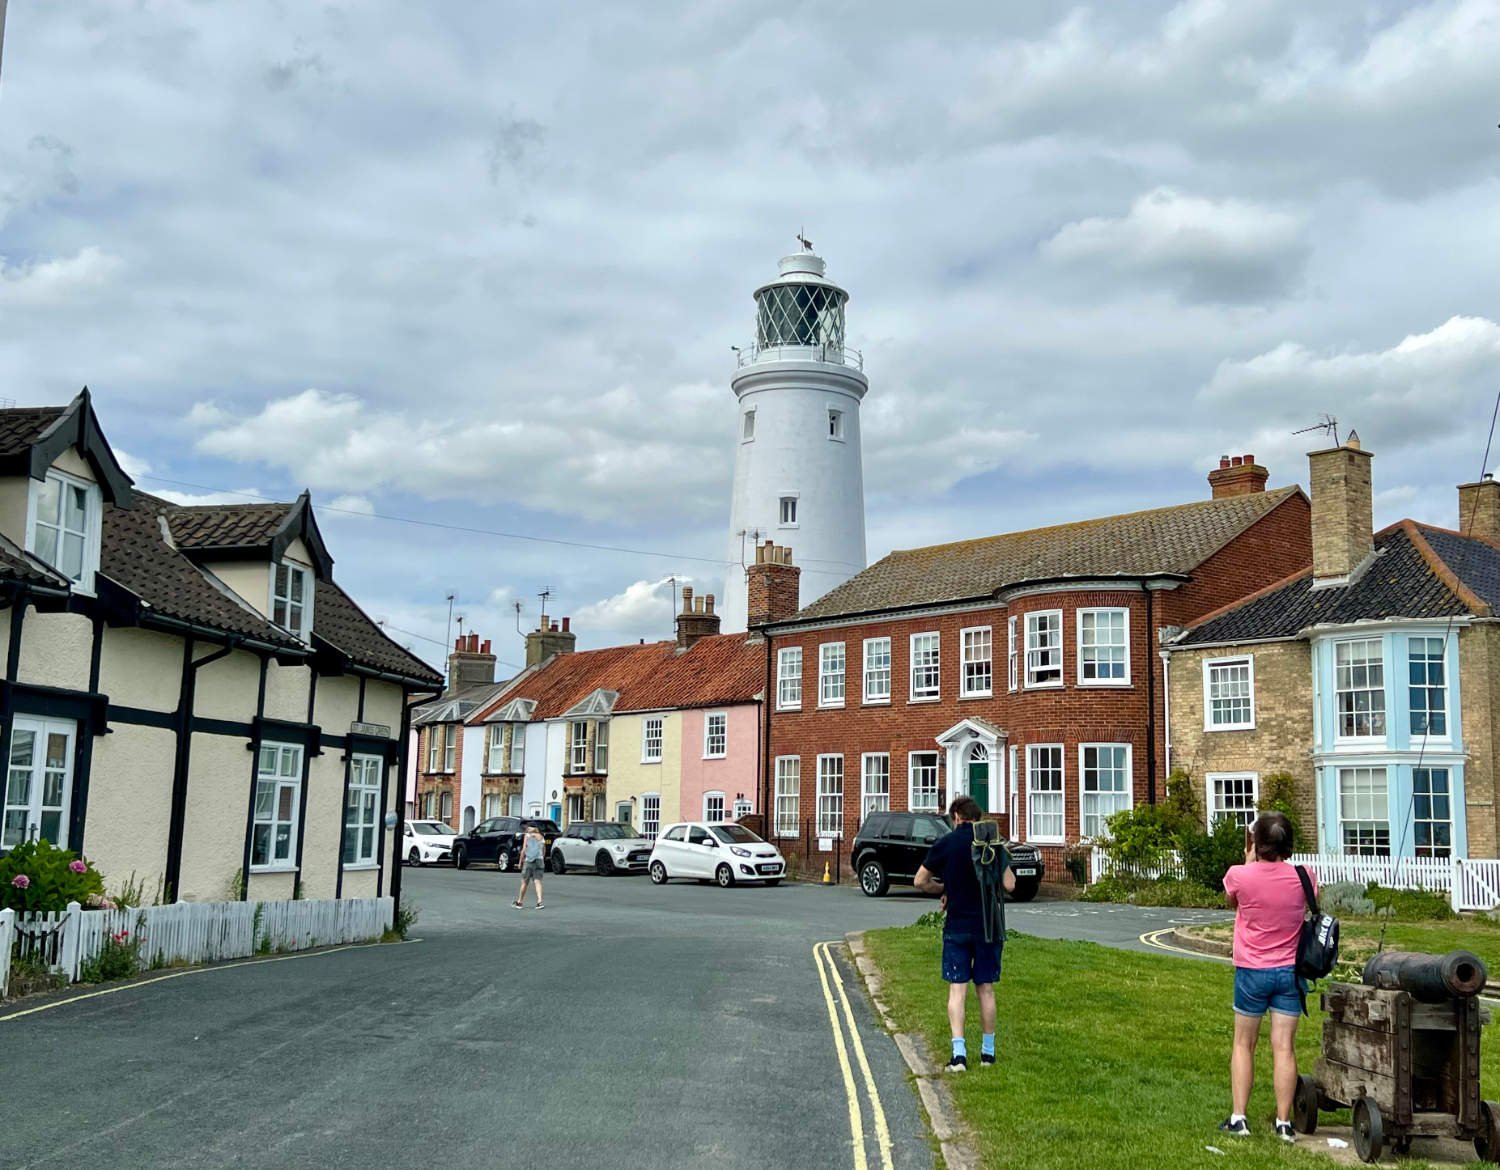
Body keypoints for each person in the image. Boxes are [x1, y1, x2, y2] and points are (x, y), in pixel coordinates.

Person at [1219, 810, 1307, 1142]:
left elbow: (1232, 901)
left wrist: (1248, 860)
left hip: (1252, 971)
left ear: (1257, 843)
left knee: (1244, 1043)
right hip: (1289, 972)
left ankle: (1239, 1117)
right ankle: (1284, 1123)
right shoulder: (1303, 876)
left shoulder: (1239, 875)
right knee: (1284, 1047)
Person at [914, 796, 1015, 1072]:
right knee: (986, 989)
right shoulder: (990, 843)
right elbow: (1010, 884)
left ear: (956, 816)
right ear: (976, 818)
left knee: (957, 990)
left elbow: (919, 880)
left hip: (957, 925)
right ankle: (988, 1054)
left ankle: (959, 1056)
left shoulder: (946, 843)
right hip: (987, 927)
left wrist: (943, 890)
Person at [513, 825, 546, 910]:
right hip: (539, 860)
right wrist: (542, 858)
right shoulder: (541, 836)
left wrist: (520, 862)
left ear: (528, 830)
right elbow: (544, 850)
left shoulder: (527, 836)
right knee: (537, 881)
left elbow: (524, 849)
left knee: (524, 882)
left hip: (529, 861)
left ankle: (519, 902)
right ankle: (540, 901)